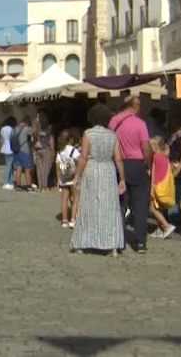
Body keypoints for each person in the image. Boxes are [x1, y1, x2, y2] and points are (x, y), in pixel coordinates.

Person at [70, 104, 126, 257]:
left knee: (89, 205)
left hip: (93, 170)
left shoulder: (88, 133)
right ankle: (113, 245)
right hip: (108, 169)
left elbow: (84, 156)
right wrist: (122, 179)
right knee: (110, 207)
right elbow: (119, 158)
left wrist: (78, 175)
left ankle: (83, 242)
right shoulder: (112, 135)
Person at [109, 95, 153, 253]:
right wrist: (149, 166)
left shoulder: (113, 122)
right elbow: (146, 148)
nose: (140, 109)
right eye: (139, 105)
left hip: (117, 164)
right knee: (140, 205)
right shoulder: (140, 123)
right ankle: (140, 242)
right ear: (133, 106)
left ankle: (118, 241)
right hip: (136, 164)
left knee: (120, 204)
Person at [149, 136, 176, 239]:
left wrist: (152, 189)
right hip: (164, 186)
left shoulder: (155, 157)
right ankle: (159, 229)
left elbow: (154, 175)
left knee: (153, 209)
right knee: (158, 208)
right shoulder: (165, 157)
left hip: (157, 185)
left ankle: (167, 226)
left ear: (155, 147)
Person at [56, 128, 81, 229]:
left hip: (63, 177)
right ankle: (73, 219)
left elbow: (58, 166)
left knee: (64, 199)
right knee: (75, 198)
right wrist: (78, 174)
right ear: (71, 139)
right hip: (73, 177)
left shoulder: (60, 152)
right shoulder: (73, 150)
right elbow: (79, 161)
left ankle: (64, 220)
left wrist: (58, 178)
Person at [33, 110, 56, 192]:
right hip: (46, 148)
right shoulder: (49, 128)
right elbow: (51, 139)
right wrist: (53, 151)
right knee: (45, 169)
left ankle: (40, 186)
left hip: (37, 148)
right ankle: (45, 186)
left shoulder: (36, 126)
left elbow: (34, 135)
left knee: (39, 168)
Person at [14, 116, 36, 192]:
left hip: (17, 150)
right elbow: (34, 131)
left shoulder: (16, 128)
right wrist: (33, 126)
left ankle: (18, 185)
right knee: (27, 168)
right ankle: (29, 185)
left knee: (18, 168)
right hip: (25, 150)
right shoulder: (26, 129)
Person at [0, 116, 18, 190]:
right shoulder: (11, 129)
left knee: (9, 165)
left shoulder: (2, 129)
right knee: (10, 166)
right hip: (11, 148)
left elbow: (1, 139)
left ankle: (9, 181)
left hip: (4, 148)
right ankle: (7, 181)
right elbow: (13, 138)